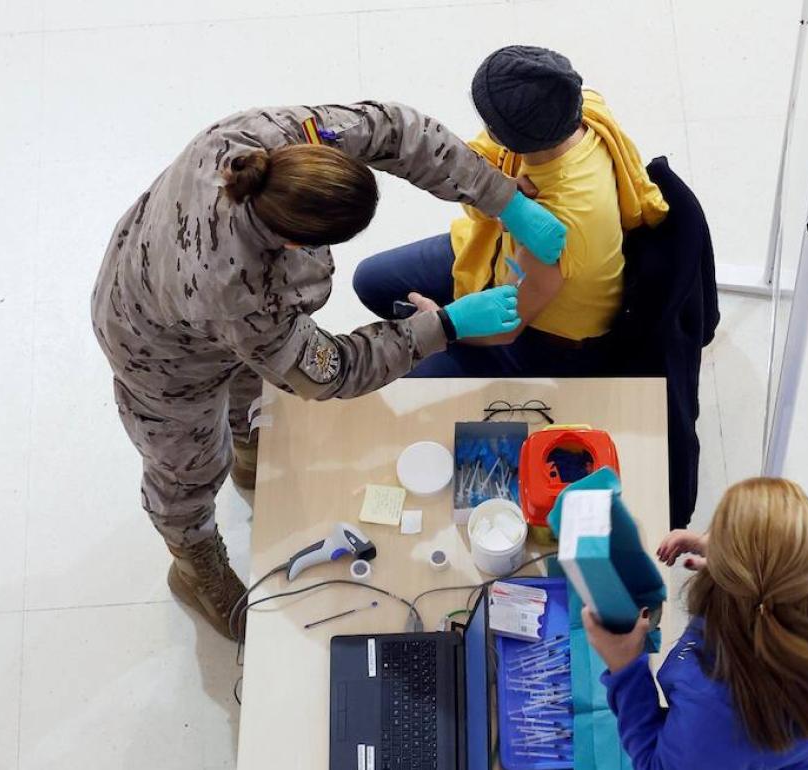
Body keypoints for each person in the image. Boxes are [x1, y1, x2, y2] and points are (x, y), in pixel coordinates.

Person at [91, 101, 567, 640]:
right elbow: (329, 371)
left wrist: (502, 198)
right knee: (189, 463)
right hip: (157, 343)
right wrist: (445, 327)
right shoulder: (247, 294)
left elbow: (398, 132)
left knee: (251, 393)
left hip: (166, 264)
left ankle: (251, 450)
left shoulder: (280, 139)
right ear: (295, 243)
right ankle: (193, 562)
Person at [353, 45, 668, 376]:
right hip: (497, 249)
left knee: (404, 378)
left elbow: (507, 327)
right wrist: (497, 187)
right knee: (371, 280)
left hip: (539, 338)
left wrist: (441, 324)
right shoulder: (579, 104)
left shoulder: (555, 228)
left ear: (502, 136)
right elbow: (471, 156)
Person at [583, 478, 808, 769]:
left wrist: (625, 668)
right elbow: (792, 552)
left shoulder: (720, 707)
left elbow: (659, 765)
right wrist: (744, 556)